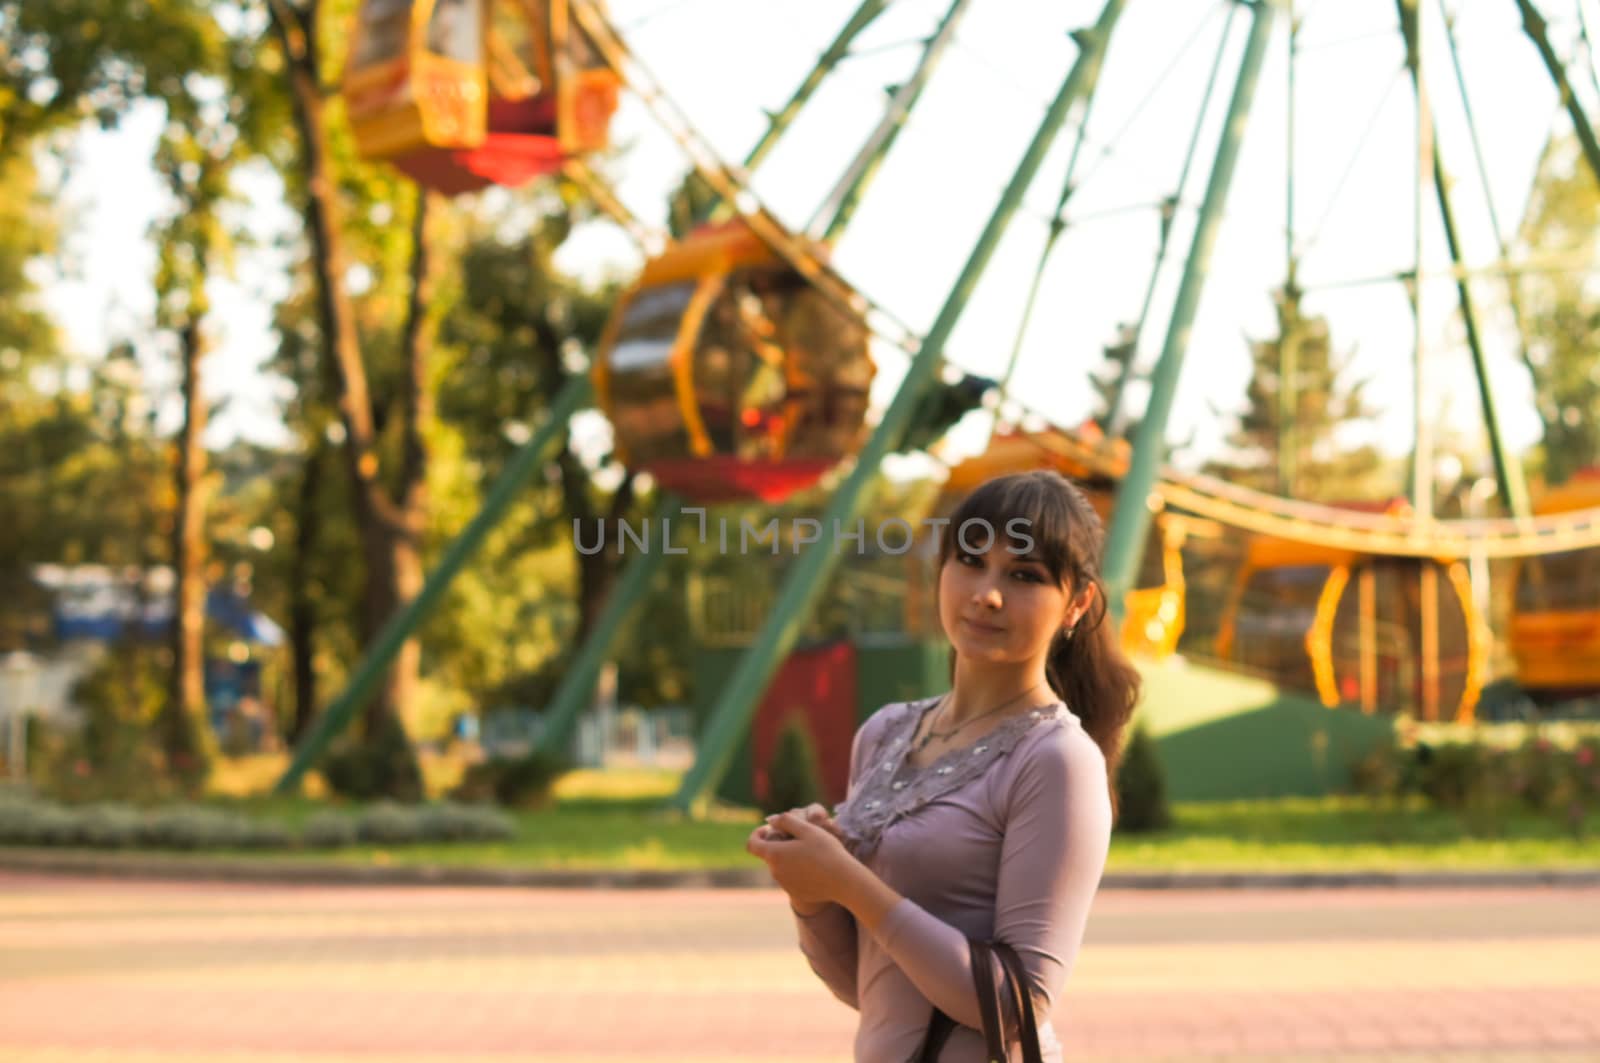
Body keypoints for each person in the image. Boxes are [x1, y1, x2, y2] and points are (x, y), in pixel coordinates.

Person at [746, 470, 1140, 1061]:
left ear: (1076, 605)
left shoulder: (1055, 759)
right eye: (971, 561)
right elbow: (868, 986)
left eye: (1024, 575)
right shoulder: (884, 733)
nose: (987, 593)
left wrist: (850, 882)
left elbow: (1017, 1009)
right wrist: (812, 891)